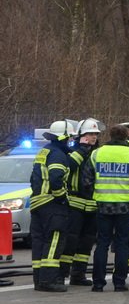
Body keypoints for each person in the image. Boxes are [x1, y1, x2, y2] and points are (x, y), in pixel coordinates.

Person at [81, 124, 129, 291]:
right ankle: (119, 282)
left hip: (103, 204)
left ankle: (98, 283)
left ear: (110, 136)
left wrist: (94, 195)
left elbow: (86, 180)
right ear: (126, 136)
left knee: (102, 244)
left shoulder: (97, 153)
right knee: (122, 244)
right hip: (124, 204)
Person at [29, 120, 75, 292]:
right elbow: (56, 178)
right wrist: (62, 198)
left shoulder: (44, 151)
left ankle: (39, 280)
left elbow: (34, 177)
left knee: (39, 242)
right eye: (69, 138)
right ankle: (48, 280)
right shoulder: (58, 154)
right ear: (64, 137)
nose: (70, 141)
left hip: (38, 202)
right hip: (52, 205)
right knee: (54, 241)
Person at [61, 118, 103, 286]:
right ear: (81, 136)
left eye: (95, 134)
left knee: (87, 241)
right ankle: (61, 274)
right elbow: (69, 166)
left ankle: (78, 274)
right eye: (89, 134)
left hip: (92, 202)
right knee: (71, 240)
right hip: (75, 202)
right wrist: (82, 149)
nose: (93, 137)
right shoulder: (73, 151)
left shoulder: (98, 152)